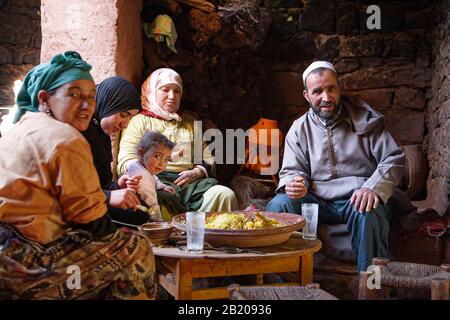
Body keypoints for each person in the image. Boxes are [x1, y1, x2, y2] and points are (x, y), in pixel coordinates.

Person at [0, 51, 156, 299]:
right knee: (134, 248)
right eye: (73, 95)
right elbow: (90, 219)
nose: (86, 105)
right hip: (25, 264)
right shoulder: (66, 138)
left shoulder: (21, 127)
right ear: (45, 99)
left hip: (9, 248)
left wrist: (113, 190)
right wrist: (113, 208)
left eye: (91, 97)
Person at [266, 60, 416, 272]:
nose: (326, 98)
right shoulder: (299, 129)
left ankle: (371, 287)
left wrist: (372, 187)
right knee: (279, 205)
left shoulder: (367, 120)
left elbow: (393, 159)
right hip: (318, 200)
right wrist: (295, 183)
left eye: (331, 89)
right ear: (306, 96)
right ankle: (282, 282)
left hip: (359, 196)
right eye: (317, 91)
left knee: (368, 211)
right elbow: (293, 170)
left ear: (339, 88)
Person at [117, 68, 237, 221]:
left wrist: (197, 172)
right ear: (152, 91)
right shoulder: (139, 121)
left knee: (225, 195)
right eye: (164, 90)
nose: (172, 96)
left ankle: (209, 240)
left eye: (177, 91)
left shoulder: (190, 123)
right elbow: (125, 161)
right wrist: (148, 173)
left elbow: (208, 158)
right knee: (157, 201)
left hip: (191, 184)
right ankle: (173, 240)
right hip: (157, 181)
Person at [83, 76, 149, 225]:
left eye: (129, 118)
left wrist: (118, 185)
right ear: (108, 104)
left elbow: (101, 183)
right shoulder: (78, 133)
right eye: (123, 115)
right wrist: (108, 197)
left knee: (139, 212)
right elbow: (70, 191)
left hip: (95, 200)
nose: (125, 125)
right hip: (77, 206)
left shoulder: (101, 135)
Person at [126, 131, 177, 221]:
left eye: (166, 159)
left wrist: (163, 186)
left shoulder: (141, 166)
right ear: (141, 153)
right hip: (133, 214)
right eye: (157, 156)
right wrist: (159, 223)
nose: (162, 163)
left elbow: (154, 178)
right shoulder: (142, 176)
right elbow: (151, 204)